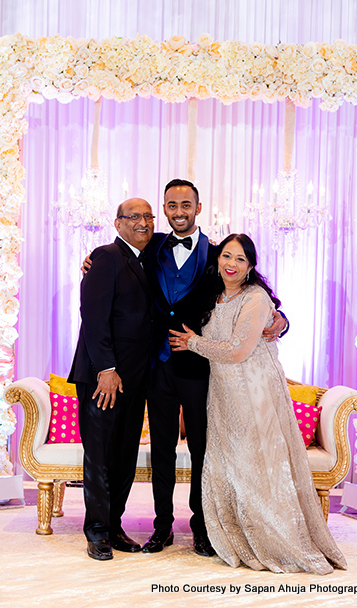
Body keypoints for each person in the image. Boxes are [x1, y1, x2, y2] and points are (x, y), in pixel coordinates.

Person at [82, 179, 288, 557]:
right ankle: (161, 528)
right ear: (165, 209)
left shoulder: (217, 253)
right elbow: (115, 267)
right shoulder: (151, 245)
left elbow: (252, 287)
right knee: (159, 451)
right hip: (154, 369)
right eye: (171, 206)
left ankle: (203, 528)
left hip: (200, 369)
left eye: (186, 205)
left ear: (198, 207)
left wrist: (281, 318)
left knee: (202, 451)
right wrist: (94, 261)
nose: (178, 212)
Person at [169, 234, 347, 574]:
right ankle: (237, 533)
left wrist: (193, 342)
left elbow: (238, 349)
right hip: (222, 393)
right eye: (226, 256)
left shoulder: (255, 297)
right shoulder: (214, 292)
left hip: (255, 392)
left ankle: (274, 538)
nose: (231, 264)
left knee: (260, 465)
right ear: (217, 259)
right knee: (230, 465)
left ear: (251, 266)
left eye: (239, 259)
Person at [68, 198, 155, 561]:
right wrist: (106, 368)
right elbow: (93, 315)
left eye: (148, 217)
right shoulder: (105, 257)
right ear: (117, 223)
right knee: (101, 456)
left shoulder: (148, 259)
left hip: (135, 379)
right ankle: (97, 532)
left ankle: (114, 524)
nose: (143, 223)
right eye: (133, 217)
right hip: (104, 376)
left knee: (123, 456)